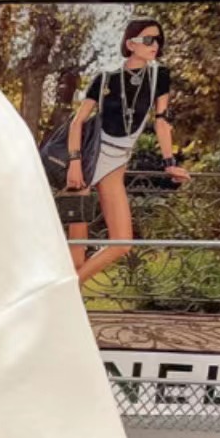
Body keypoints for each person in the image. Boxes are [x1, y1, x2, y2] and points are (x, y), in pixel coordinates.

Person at [64, 18, 190, 286]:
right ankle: (68, 301)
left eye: (158, 40)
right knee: (77, 250)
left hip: (116, 163)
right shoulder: (106, 78)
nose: (155, 45)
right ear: (131, 44)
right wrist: (74, 163)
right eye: (149, 39)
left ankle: (65, 290)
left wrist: (169, 162)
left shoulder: (159, 76)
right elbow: (77, 122)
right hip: (86, 163)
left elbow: (161, 121)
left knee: (122, 243)